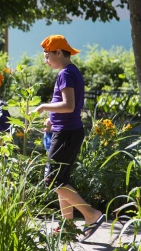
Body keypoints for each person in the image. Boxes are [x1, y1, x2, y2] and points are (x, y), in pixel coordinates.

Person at [33, 35, 105, 243]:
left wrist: (44, 107)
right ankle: (67, 227)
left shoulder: (66, 73)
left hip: (66, 134)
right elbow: (66, 106)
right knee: (60, 180)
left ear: (58, 53)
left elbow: (69, 105)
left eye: (47, 57)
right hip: (65, 131)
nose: (46, 61)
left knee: (52, 180)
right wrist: (50, 120)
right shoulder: (71, 72)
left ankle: (91, 215)